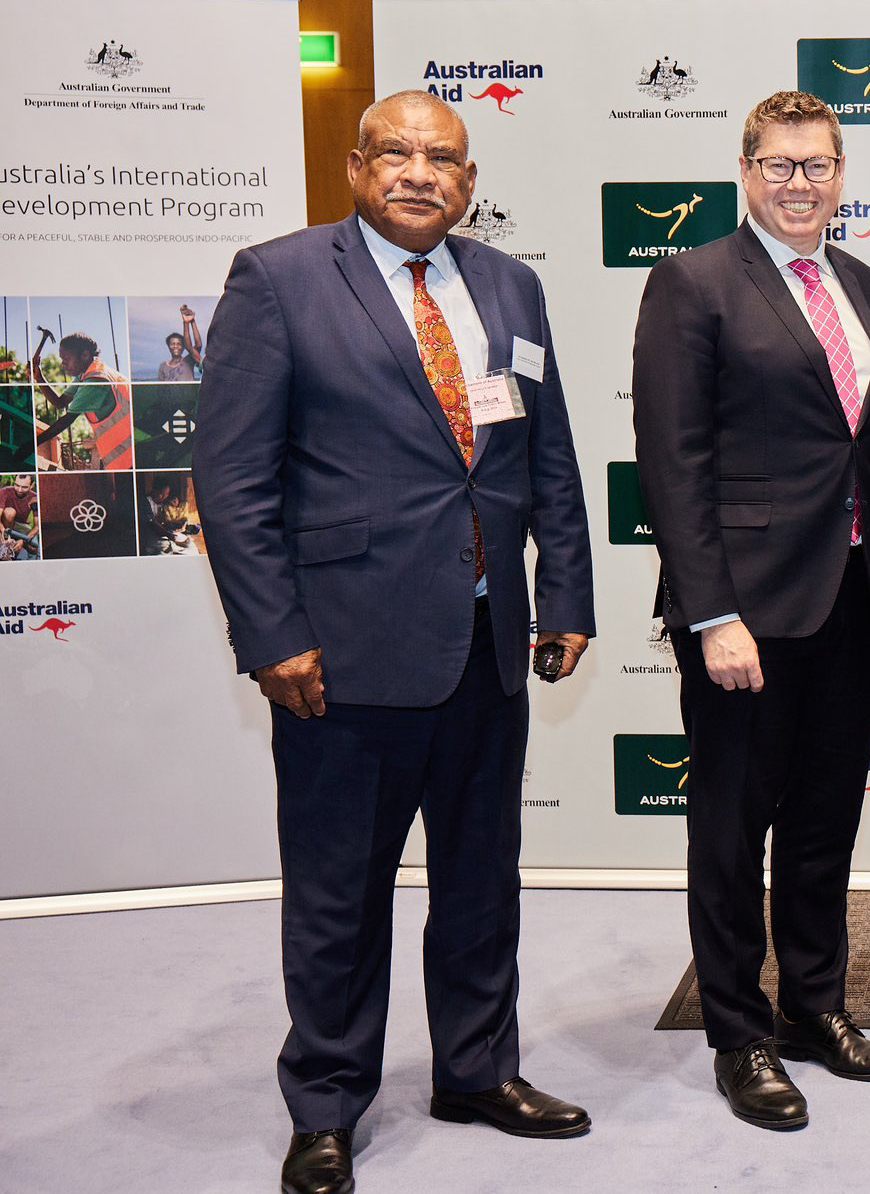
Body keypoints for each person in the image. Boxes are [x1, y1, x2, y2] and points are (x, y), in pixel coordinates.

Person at [192, 90, 597, 1194]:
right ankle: (325, 1104)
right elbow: (231, 485)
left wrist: (565, 592)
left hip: (485, 642)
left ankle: (475, 1070)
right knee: (339, 894)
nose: (421, 174)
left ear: (471, 181)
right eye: (399, 154)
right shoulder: (276, 279)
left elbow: (544, 456)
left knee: (481, 881)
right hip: (342, 652)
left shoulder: (512, 284)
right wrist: (272, 634)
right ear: (357, 164)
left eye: (445, 159)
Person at [631, 90, 870, 1131]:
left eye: (819, 165)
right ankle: (739, 1036)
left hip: (849, 604)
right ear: (746, 171)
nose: (801, 183)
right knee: (728, 828)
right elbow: (673, 462)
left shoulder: (867, 286)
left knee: (823, 822)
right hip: (745, 612)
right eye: (780, 165)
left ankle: (815, 1006)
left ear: (843, 175)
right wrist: (712, 614)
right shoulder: (692, 282)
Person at [30, 330, 132, 470]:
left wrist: (32, 444)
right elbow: (60, 403)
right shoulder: (87, 374)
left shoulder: (96, 380)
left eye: (66, 359)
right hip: (126, 454)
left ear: (85, 355)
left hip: (130, 453)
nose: (62, 364)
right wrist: (39, 378)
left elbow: (66, 420)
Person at [155, 304, 205, 380]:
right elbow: (161, 388)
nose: (176, 346)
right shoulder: (163, 366)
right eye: (173, 344)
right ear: (168, 346)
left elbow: (198, 345)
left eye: (179, 344)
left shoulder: (188, 361)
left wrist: (189, 322)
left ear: (183, 346)